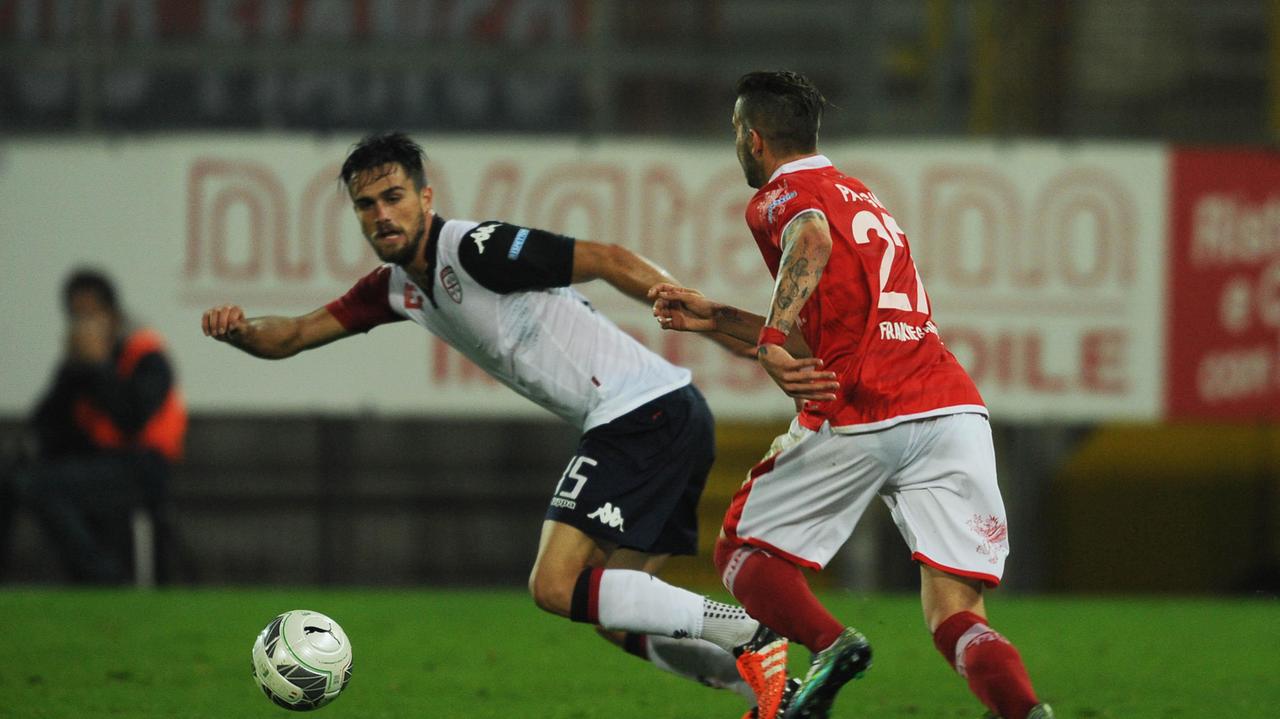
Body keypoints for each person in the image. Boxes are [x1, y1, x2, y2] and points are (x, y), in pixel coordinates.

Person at [200, 132, 795, 719]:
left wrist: (713, 323)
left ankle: (750, 632)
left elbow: (607, 259)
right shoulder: (397, 289)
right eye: (367, 204)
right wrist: (242, 331)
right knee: (616, 617)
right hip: (669, 413)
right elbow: (298, 334)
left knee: (554, 585)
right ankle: (774, 697)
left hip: (641, 412)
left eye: (394, 197)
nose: (382, 214)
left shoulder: (475, 248)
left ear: (426, 199)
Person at [649, 71, 1055, 719]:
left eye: (734, 132)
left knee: (742, 553)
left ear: (754, 139)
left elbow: (809, 237)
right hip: (950, 407)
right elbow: (830, 334)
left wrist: (772, 338)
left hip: (867, 404)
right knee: (955, 613)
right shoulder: (860, 193)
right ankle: (1026, 711)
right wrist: (719, 318)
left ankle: (832, 646)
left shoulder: (785, 195)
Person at [0, 269, 186, 583]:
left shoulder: (146, 354)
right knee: (14, 479)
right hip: (97, 460)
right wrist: (74, 370)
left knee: (45, 487)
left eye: (91, 313)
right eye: (77, 315)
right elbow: (47, 424)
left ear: (112, 315)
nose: (84, 323)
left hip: (142, 465)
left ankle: (102, 576)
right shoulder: (78, 362)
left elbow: (132, 419)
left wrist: (99, 368)